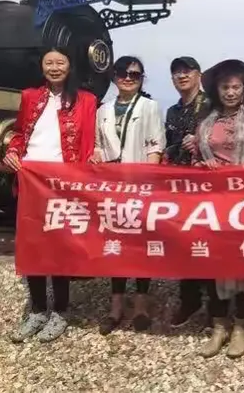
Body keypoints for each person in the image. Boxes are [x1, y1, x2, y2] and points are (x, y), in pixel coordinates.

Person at [5, 47, 97, 343]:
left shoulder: (86, 100)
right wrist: (12, 151)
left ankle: (59, 311)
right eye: (49, 62)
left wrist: (88, 167)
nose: (54, 67)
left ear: (70, 66)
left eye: (60, 62)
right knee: (32, 246)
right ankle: (37, 310)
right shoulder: (30, 96)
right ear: (42, 66)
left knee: (59, 247)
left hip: (63, 184)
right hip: (31, 181)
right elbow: (20, 133)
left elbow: (89, 140)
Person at [192, 59, 244, 359]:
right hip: (212, 202)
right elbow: (194, 161)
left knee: (243, 263)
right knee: (213, 263)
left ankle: (240, 325)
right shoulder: (205, 121)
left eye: (235, 86)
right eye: (224, 86)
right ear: (216, 89)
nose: (230, 92)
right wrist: (202, 165)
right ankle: (218, 325)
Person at [92, 56, 165, 334]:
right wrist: (97, 156)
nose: (128, 78)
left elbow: (155, 147)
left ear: (141, 79)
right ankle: (116, 305)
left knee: (141, 245)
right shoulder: (103, 109)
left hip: (139, 186)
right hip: (112, 187)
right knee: (115, 245)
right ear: (114, 76)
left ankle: (141, 304)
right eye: (123, 73)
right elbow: (99, 145)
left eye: (135, 74)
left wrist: (145, 184)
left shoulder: (149, 106)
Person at [163, 56, 211, 328]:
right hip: (179, 186)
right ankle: (189, 299)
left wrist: (201, 142)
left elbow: (227, 140)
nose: (182, 76)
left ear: (198, 74)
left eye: (187, 71)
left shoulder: (212, 104)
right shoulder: (172, 111)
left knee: (209, 242)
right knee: (183, 242)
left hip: (208, 186)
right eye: (176, 72)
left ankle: (215, 305)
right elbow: (168, 145)